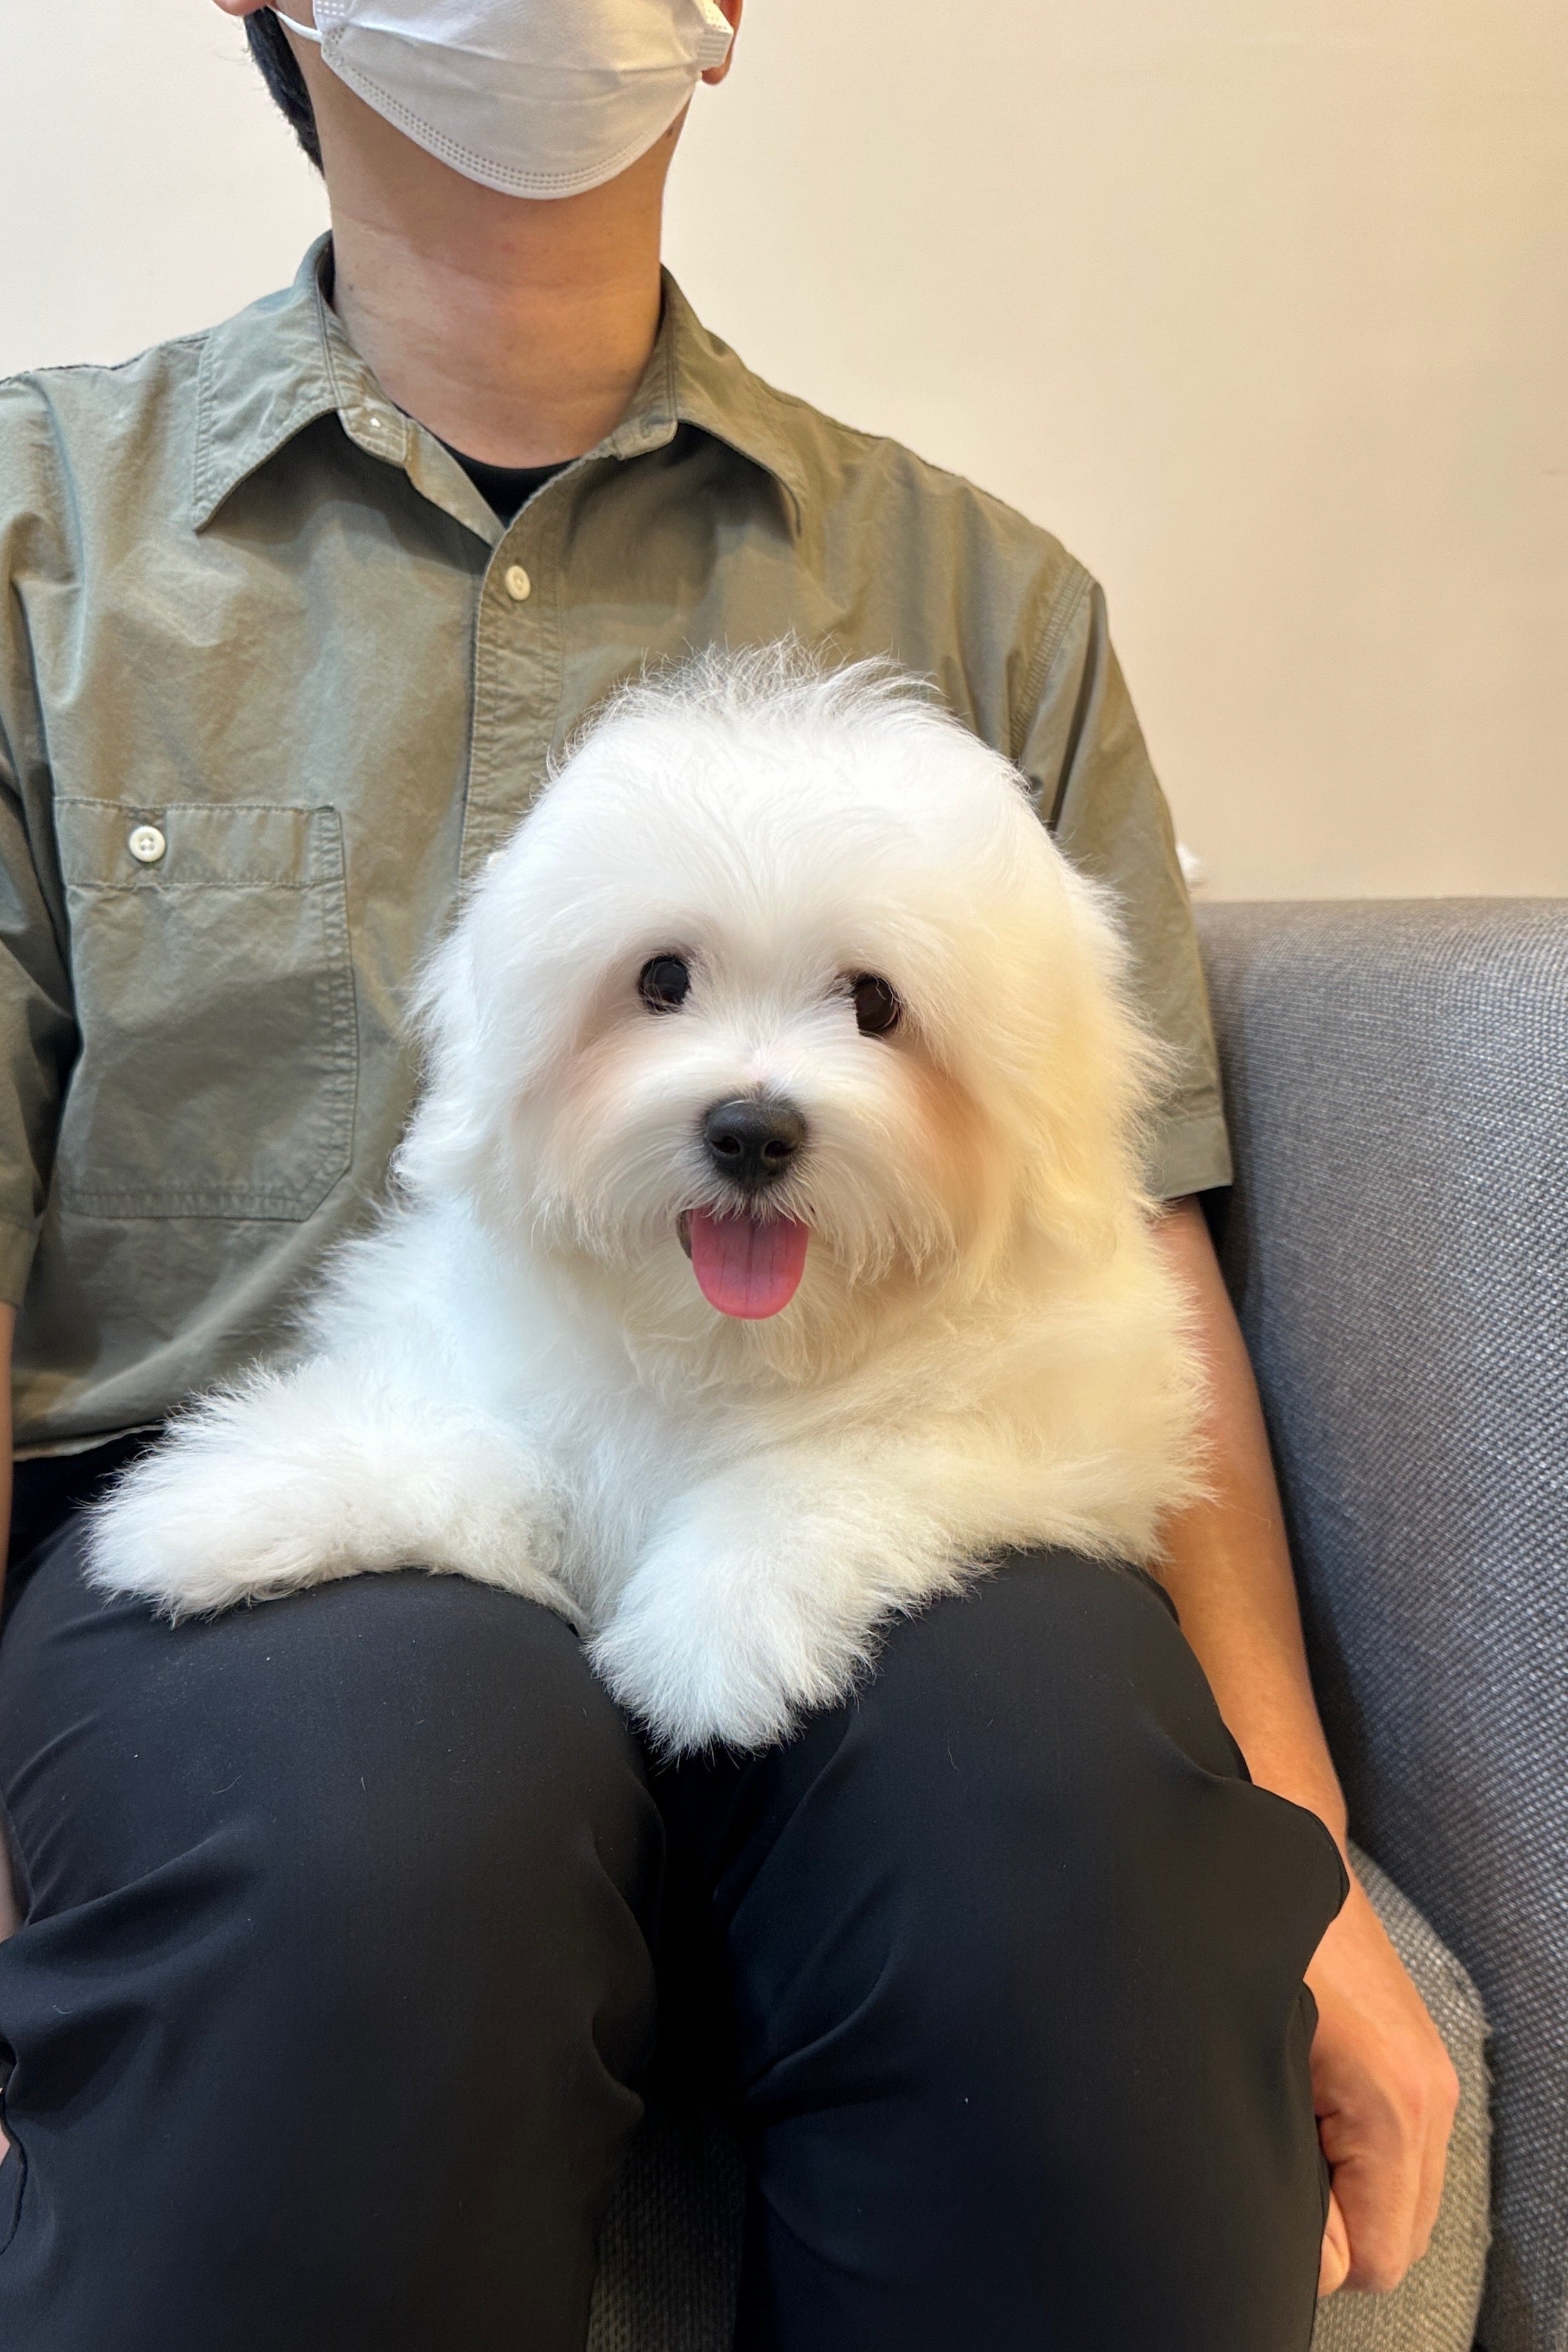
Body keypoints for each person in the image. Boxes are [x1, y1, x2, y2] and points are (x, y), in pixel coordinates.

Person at [0, 5, 1457, 2346]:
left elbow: (1124, 1245)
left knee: (1050, 1837)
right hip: (287, 1539)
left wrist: (1295, 1857)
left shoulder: (983, 600)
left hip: (889, 1479)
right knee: (387, 1813)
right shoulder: (39, 542)